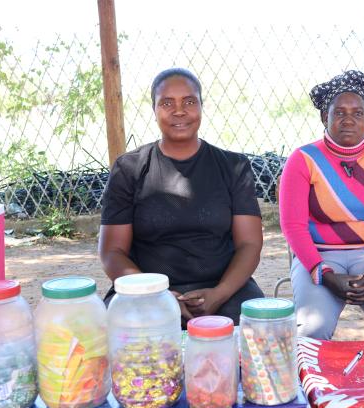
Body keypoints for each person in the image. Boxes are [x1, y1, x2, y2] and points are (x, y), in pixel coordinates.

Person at [99, 68, 264, 326]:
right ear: (154, 109)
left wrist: (219, 294)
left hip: (224, 289)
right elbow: (112, 251)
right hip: (145, 292)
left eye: (189, 101)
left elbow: (250, 244)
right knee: (124, 348)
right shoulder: (129, 169)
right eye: (167, 103)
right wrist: (157, 296)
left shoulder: (233, 166)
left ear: (201, 106)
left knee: (258, 341)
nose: (179, 111)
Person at [279, 70, 364, 340]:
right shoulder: (303, 159)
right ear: (324, 117)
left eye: (358, 113)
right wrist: (325, 275)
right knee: (310, 330)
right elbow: (293, 227)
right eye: (339, 112)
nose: (349, 120)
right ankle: (315, 383)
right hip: (319, 257)